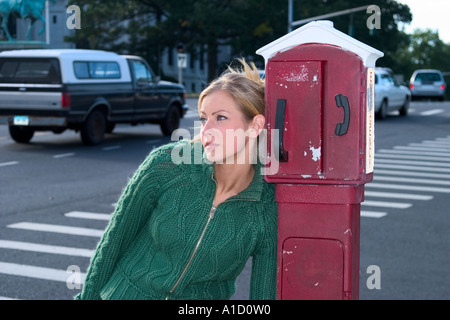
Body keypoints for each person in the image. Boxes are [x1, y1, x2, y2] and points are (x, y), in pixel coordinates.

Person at [75, 59, 278, 300]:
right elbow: (113, 244)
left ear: (255, 126)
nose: (206, 131)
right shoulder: (167, 165)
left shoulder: (266, 205)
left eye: (220, 118)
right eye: (204, 119)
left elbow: (265, 294)